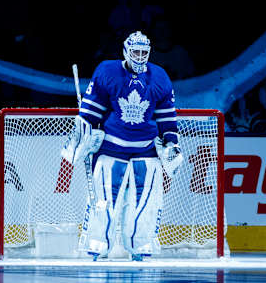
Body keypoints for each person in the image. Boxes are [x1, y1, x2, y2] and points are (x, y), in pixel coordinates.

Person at [62, 31, 182, 261]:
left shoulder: (160, 77)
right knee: (104, 198)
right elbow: (90, 110)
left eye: (143, 52)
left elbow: (166, 116)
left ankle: (140, 244)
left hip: (146, 147)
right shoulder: (107, 71)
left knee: (145, 199)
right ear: (125, 52)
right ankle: (99, 244)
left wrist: (171, 142)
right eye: (135, 52)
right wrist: (80, 135)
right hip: (112, 145)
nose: (139, 57)